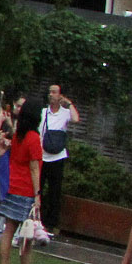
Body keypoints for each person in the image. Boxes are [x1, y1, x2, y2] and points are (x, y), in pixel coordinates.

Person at [0, 100, 45, 264]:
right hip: (25, 190)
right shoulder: (33, 138)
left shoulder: (18, 136)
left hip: (12, 186)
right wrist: (37, 193)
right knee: (27, 233)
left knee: (9, 228)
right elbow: (34, 168)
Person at [41, 83, 77, 234]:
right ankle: (37, 220)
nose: (51, 94)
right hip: (43, 155)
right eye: (50, 92)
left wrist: (68, 103)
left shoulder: (65, 112)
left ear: (60, 95)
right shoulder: (44, 112)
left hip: (57, 157)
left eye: (55, 92)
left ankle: (51, 223)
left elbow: (75, 119)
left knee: (54, 192)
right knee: (38, 189)